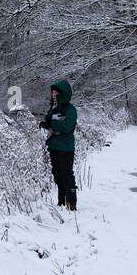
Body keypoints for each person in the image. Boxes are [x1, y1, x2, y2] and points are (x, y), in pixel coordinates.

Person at [39, 80, 78, 210]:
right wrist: (46, 124)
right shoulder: (54, 108)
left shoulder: (70, 109)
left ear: (63, 93)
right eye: (53, 92)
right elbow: (50, 122)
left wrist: (52, 125)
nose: (54, 94)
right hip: (54, 146)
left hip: (66, 147)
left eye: (56, 92)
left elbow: (66, 126)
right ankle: (61, 202)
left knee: (67, 175)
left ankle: (71, 204)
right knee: (57, 175)